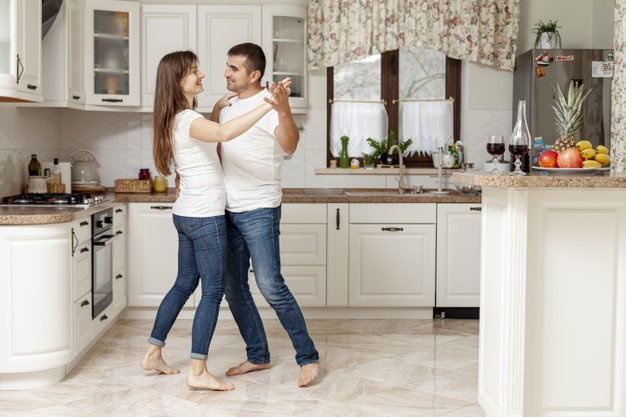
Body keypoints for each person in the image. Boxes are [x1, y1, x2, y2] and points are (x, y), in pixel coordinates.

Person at [140, 50, 291, 391]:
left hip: (186, 214)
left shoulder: (179, 116)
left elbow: (205, 139)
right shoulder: (187, 119)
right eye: (194, 71)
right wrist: (269, 103)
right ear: (178, 80)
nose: (203, 76)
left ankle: (153, 351)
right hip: (206, 216)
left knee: (183, 284)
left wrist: (220, 107)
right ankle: (198, 370)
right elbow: (222, 135)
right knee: (212, 291)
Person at [210, 43, 319, 387]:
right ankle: (258, 356)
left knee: (271, 285)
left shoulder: (271, 105)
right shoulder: (227, 107)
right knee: (233, 286)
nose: (226, 73)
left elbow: (289, 146)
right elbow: (216, 144)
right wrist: (214, 111)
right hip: (226, 209)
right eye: (226, 66)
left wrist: (284, 109)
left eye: (233, 68)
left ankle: (308, 356)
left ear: (254, 75)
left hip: (259, 207)